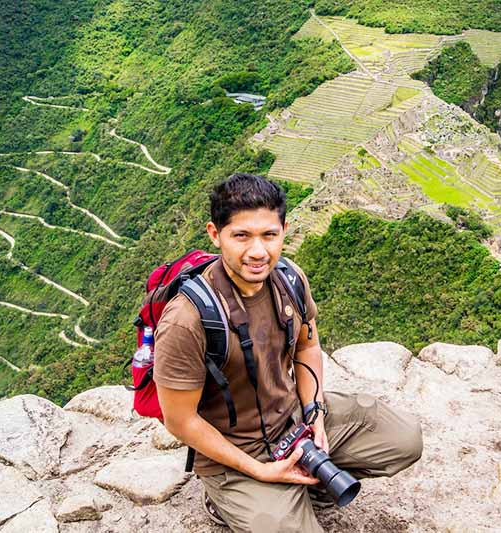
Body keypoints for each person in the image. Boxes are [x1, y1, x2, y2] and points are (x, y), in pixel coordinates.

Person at [154, 173, 423, 532]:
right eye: (241, 236)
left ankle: (302, 490)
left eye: (269, 235)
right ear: (214, 234)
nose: (258, 251)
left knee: (404, 440)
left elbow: (308, 346)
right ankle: (229, 501)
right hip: (238, 453)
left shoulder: (288, 279)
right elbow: (180, 420)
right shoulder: (187, 319)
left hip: (295, 420)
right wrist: (260, 470)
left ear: (284, 230)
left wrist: (315, 414)